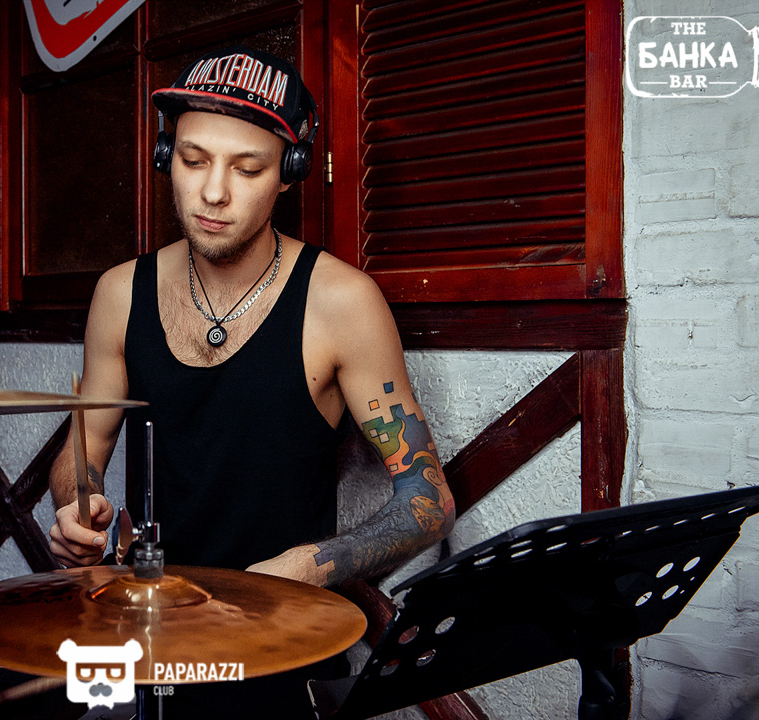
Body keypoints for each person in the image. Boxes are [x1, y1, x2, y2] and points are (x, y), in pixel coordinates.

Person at [47, 46, 457, 716]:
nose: (214, 192)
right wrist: (78, 508)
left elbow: (428, 501)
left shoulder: (342, 303)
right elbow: (80, 454)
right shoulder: (119, 294)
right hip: (150, 639)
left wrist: (309, 566)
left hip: (280, 652)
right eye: (193, 160)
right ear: (165, 156)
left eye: (247, 168)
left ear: (290, 173)